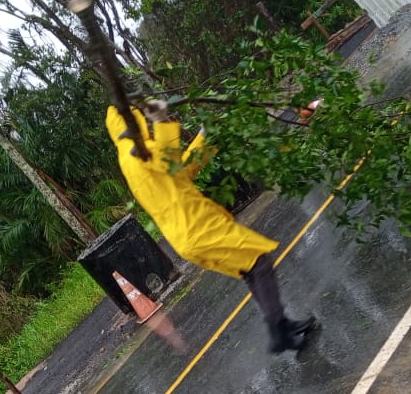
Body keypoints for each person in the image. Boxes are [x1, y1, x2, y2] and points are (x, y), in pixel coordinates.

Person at [105, 101, 317, 354]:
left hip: (190, 235)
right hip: (198, 228)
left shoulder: (131, 157)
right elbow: (167, 162)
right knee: (259, 263)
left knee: (250, 268)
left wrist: (205, 137)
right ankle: (278, 331)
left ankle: (281, 325)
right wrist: (162, 122)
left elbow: (180, 172)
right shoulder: (136, 153)